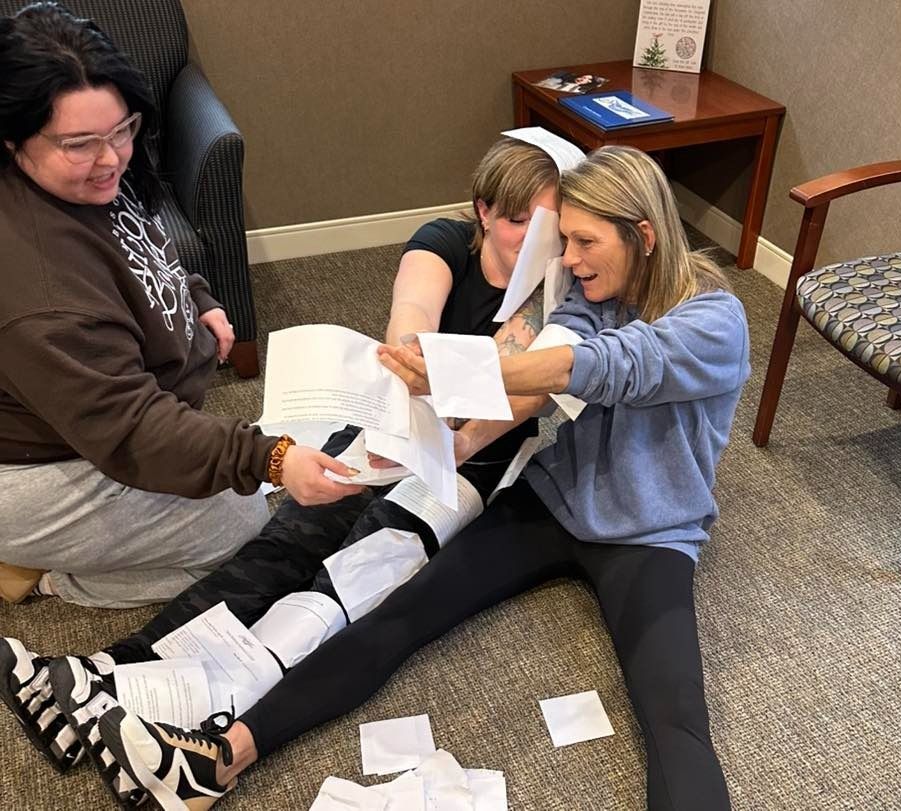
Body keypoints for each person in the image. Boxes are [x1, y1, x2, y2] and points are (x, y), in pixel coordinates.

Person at [82, 145, 751, 811]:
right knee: (401, 612)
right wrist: (455, 437)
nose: (568, 259)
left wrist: (457, 369)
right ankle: (218, 759)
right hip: (551, 502)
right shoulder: (592, 293)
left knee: (675, 716)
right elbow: (546, 368)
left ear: (644, 235)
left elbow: (602, 366)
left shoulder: (715, 321)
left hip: (651, 535)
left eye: (584, 242)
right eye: (565, 239)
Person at [0, 129, 561, 804]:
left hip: (469, 461)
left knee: (346, 579)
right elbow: (410, 317)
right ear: (483, 212)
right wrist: (412, 375)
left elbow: (519, 391)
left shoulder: (559, 289)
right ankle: (108, 671)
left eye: (549, 223)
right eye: (518, 220)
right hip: (394, 422)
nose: (534, 239)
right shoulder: (445, 240)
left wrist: (453, 441)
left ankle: (181, 713)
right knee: (282, 545)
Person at [0, 2, 364, 609]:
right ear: (12, 137)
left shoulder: (84, 177)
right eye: (81, 143)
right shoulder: (42, 294)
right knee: (243, 530)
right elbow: (134, 429)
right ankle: (41, 576)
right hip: (35, 470)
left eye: (122, 129)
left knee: (239, 490)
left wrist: (194, 296)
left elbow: (141, 246)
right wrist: (269, 457)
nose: (112, 157)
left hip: (95, 422)